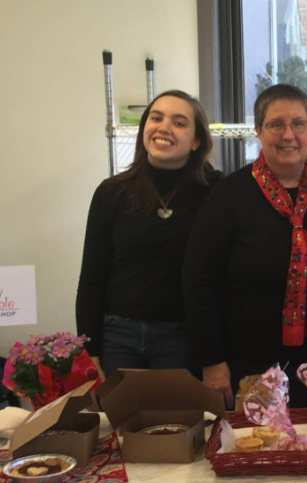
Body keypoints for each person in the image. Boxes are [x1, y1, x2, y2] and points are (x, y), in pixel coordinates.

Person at [183, 84, 307, 409]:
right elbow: (198, 281)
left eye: (298, 124)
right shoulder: (228, 195)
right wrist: (211, 362)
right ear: (258, 131)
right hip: (248, 365)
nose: (288, 134)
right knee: (256, 454)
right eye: (276, 124)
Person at [76, 90, 219, 376]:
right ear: (144, 129)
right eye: (156, 118)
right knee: (123, 421)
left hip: (182, 340)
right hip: (117, 337)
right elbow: (91, 280)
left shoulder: (215, 192)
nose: (164, 127)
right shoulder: (111, 192)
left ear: (196, 141)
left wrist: (215, 354)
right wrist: (89, 353)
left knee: (180, 421)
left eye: (179, 122)